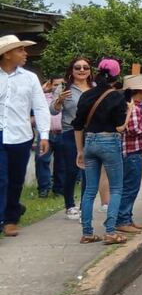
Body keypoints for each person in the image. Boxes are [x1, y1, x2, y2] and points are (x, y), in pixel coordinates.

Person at [73, 58, 129, 245]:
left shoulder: (87, 95)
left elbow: (78, 125)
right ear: (116, 75)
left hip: (89, 141)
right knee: (116, 188)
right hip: (109, 141)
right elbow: (120, 126)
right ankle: (111, 232)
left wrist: (80, 150)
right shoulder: (117, 96)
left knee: (89, 190)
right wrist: (128, 113)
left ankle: (87, 232)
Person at [0, 36, 51, 237]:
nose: (25, 53)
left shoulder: (29, 78)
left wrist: (44, 135)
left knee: (16, 179)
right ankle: (4, 219)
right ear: (7, 54)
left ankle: (12, 216)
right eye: (20, 50)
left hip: (20, 135)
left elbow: (40, 106)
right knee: (1, 178)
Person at [115, 75, 142, 236]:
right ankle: (123, 220)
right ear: (138, 92)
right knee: (130, 187)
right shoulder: (134, 108)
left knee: (130, 186)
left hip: (131, 150)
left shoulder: (132, 106)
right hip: (132, 151)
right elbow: (133, 129)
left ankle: (127, 218)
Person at [52, 56, 94, 217]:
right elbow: (53, 111)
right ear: (71, 70)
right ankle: (69, 205)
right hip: (70, 132)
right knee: (72, 169)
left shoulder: (94, 87)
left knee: (88, 171)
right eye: (78, 67)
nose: (82, 70)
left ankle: (85, 206)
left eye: (85, 67)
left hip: (91, 132)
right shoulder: (64, 88)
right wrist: (59, 101)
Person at [36, 77, 63, 197]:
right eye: (56, 84)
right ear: (50, 84)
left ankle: (59, 189)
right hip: (46, 134)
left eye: (61, 85)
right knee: (41, 160)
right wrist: (43, 90)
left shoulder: (66, 98)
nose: (58, 87)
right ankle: (44, 188)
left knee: (61, 163)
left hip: (62, 133)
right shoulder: (42, 97)